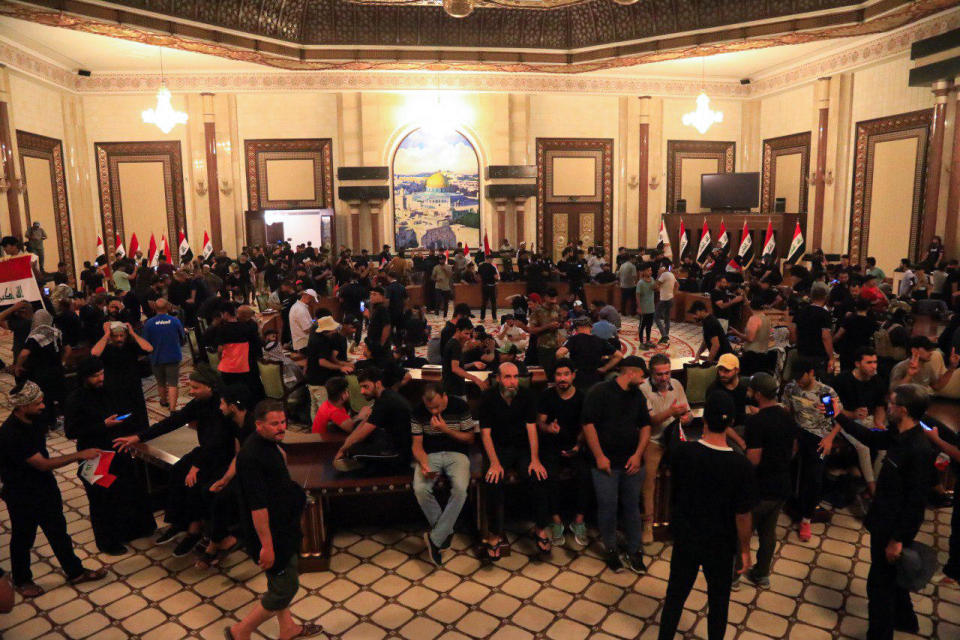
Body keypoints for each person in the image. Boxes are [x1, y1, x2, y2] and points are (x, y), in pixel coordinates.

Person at [835, 385, 935, 639]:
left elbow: (915, 503)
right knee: (892, 578)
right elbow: (870, 438)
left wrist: (898, 540)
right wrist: (838, 416)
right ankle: (906, 621)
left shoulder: (918, 450)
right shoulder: (897, 434)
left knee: (878, 585)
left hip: (893, 528)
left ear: (903, 409)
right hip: (882, 519)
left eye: (891, 404)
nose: (887, 407)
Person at [658, 391, 755, 640]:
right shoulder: (741, 466)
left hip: (686, 538)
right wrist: (745, 549)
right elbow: (742, 515)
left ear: (705, 421)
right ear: (731, 422)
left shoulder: (684, 453)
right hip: (720, 545)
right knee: (719, 602)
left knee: (675, 597)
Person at [113, 367, 236, 557]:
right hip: (205, 452)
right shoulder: (198, 403)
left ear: (210, 387)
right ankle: (181, 523)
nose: (191, 391)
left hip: (222, 456)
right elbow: (174, 421)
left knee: (195, 481)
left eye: (195, 387)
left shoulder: (222, 406)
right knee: (178, 471)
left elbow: (217, 440)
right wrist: (139, 437)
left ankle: (195, 530)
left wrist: (196, 466)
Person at [0, 381, 107, 597]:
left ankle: (75, 572)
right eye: (37, 403)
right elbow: (42, 463)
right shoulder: (11, 433)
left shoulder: (35, 420)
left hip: (43, 486)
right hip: (21, 493)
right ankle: (22, 580)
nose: (42, 406)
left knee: (58, 530)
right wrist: (78, 455)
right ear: (22, 407)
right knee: (23, 536)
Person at [228, 400, 320, 640]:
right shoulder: (251, 456)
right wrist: (267, 547)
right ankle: (241, 631)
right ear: (259, 425)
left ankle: (287, 628)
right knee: (285, 588)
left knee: (278, 582)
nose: (281, 427)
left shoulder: (269, 445)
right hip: (272, 534)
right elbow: (258, 507)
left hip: (282, 526)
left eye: (283, 422)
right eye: (274, 424)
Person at [64, 357, 156, 555]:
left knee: (126, 489)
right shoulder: (75, 399)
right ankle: (108, 541)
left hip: (116, 448)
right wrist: (102, 425)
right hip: (94, 454)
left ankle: (132, 530)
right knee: (102, 499)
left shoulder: (107, 392)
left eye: (102, 373)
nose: (100, 378)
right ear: (85, 377)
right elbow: (71, 432)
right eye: (95, 376)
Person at [581, 356, 651, 573]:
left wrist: (638, 454)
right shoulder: (600, 392)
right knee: (608, 507)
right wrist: (600, 456)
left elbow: (645, 426)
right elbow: (588, 425)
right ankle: (611, 549)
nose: (643, 380)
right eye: (641, 375)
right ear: (631, 373)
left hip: (631, 463)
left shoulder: (637, 396)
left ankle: (634, 550)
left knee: (632, 507)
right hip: (606, 463)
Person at [478, 362, 549, 559]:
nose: (512, 382)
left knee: (539, 476)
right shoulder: (488, 397)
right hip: (498, 448)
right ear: (499, 379)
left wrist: (535, 459)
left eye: (516, 377)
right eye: (508, 377)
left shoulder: (526, 395)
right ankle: (494, 534)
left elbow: (531, 428)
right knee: (493, 481)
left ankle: (540, 528)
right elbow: (486, 434)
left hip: (521, 449)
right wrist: (494, 462)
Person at [738, 372, 799, 588]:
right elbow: (793, 449)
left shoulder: (757, 422)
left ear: (758, 395)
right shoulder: (787, 415)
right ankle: (762, 574)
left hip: (759, 487)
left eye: (751, 390)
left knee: (743, 532)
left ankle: (736, 574)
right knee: (768, 533)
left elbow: (754, 458)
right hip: (782, 483)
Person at [412, 385, 478, 566]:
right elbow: (416, 444)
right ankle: (445, 533)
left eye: (437, 407)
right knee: (420, 488)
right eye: (429, 408)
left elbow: (470, 438)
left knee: (460, 490)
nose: (433, 411)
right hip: (430, 456)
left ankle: (434, 539)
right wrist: (423, 462)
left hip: (457, 455)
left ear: (444, 396)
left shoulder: (460, 406)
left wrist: (446, 429)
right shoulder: (418, 411)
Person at [783, 356, 841, 542]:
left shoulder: (825, 392)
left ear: (811, 373)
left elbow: (837, 420)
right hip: (798, 432)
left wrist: (830, 439)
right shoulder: (791, 388)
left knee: (814, 476)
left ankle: (806, 518)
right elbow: (789, 413)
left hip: (820, 436)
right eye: (796, 376)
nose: (799, 380)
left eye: (802, 376)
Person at [638, 353, 693, 543]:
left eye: (667, 373)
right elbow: (649, 421)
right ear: (651, 374)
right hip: (653, 440)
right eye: (659, 374)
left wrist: (686, 418)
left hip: (674, 438)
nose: (664, 378)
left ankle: (682, 519)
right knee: (648, 480)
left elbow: (688, 412)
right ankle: (647, 524)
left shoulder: (676, 385)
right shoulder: (643, 389)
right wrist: (670, 412)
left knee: (689, 473)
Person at [536, 359, 590, 547]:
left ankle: (579, 521)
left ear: (573, 375)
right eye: (559, 375)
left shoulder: (583, 397)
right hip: (552, 446)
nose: (562, 378)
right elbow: (540, 422)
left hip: (576, 446)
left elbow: (586, 426)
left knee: (585, 474)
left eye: (566, 374)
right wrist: (549, 428)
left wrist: (577, 445)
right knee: (549, 476)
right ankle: (556, 520)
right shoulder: (547, 396)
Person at [333, 367, 412, 474]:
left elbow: (362, 434)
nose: (362, 391)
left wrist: (344, 449)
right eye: (361, 387)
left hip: (399, 452)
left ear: (378, 384)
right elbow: (363, 423)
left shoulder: (385, 402)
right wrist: (343, 448)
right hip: (389, 438)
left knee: (354, 450)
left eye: (365, 386)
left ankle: (367, 465)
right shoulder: (384, 395)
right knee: (357, 427)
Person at [833, 348, 888, 498]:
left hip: (868, 420)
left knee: (884, 447)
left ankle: (873, 483)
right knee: (863, 447)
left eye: (875, 362)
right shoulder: (842, 380)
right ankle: (872, 489)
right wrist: (852, 414)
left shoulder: (877, 381)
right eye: (869, 362)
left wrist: (879, 422)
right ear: (857, 364)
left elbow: (880, 406)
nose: (874, 366)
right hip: (845, 421)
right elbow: (833, 409)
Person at [91, 320, 154, 431]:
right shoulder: (106, 347)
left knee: (137, 414)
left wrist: (133, 333)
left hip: (133, 385)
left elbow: (148, 348)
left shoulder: (130, 346)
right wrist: (106, 335)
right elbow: (94, 354)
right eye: (115, 336)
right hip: (113, 388)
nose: (119, 339)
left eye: (121, 335)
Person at [13, 309, 68, 424]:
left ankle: (47, 422)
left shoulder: (35, 337)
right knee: (56, 396)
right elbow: (67, 349)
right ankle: (59, 420)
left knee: (45, 398)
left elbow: (24, 353)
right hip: (57, 371)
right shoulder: (56, 333)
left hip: (41, 373)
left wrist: (18, 366)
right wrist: (62, 362)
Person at [305, 316, 354, 420]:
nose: (335, 331)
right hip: (319, 380)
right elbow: (322, 362)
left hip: (311, 378)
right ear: (328, 330)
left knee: (314, 408)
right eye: (333, 329)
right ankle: (322, 433)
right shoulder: (322, 341)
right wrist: (340, 368)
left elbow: (328, 356)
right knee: (323, 410)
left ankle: (315, 432)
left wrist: (342, 364)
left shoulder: (315, 336)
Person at [556, 316, 622, 391]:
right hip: (595, 379)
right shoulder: (600, 340)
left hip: (577, 378)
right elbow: (618, 355)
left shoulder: (574, 339)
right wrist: (604, 368)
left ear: (577, 328)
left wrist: (568, 370)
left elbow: (559, 353)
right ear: (591, 327)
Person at [143, 298, 186, 411]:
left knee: (160, 382)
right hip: (173, 356)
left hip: (156, 357)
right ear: (168, 307)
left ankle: (163, 401)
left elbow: (145, 342)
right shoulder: (175, 321)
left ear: (155, 308)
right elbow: (183, 337)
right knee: (173, 383)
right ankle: (172, 408)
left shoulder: (148, 323)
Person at [706, 353, 750, 449]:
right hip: (723, 431)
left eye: (727, 371)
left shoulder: (745, 386)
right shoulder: (714, 391)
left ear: (737, 370)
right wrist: (740, 441)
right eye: (720, 370)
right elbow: (719, 424)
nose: (722, 374)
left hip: (744, 427)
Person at [889, 335, 958, 395]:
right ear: (914, 350)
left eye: (930, 349)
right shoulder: (900, 367)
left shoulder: (927, 366)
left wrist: (952, 368)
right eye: (927, 349)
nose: (931, 352)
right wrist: (909, 375)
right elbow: (894, 392)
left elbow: (937, 386)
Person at [442, 318, 487, 398]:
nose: (468, 337)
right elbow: (455, 368)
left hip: (453, 387)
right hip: (454, 388)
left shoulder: (453, 343)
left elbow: (457, 366)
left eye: (470, 334)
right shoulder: (455, 345)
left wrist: (473, 363)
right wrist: (475, 379)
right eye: (466, 333)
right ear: (458, 330)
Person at [528, 287, 562, 374]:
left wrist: (560, 325)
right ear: (545, 297)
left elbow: (560, 321)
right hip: (544, 347)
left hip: (556, 346)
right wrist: (548, 326)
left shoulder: (557, 308)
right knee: (546, 373)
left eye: (555, 298)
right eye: (551, 298)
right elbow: (532, 330)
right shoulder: (537, 312)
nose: (553, 301)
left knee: (557, 372)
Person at [288, 288, 318, 353]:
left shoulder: (299, 307)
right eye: (312, 300)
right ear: (309, 297)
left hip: (303, 343)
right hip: (304, 345)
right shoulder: (300, 309)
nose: (312, 303)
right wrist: (320, 327)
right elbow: (307, 329)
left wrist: (314, 320)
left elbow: (307, 323)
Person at [635, 262, 656, 348]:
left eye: (650, 270)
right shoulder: (640, 283)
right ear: (643, 272)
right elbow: (637, 295)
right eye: (648, 270)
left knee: (649, 326)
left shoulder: (652, 279)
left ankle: (648, 340)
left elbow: (655, 288)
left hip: (651, 308)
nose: (650, 272)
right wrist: (639, 307)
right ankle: (641, 343)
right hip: (644, 309)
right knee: (642, 326)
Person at [654, 264, 677, 344]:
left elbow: (655, 286)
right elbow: (677, 285)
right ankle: (666, 336)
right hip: (670, 298)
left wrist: (659, 274)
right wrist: (673, 294)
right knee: (667, 319)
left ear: (664, 268)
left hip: (664, 299)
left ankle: (664, 335)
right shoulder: (672, 274)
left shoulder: (664, 274)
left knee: (656, 317)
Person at [477, 254, 499, 322]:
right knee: (493, 303)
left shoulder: (480, 266)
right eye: (492, 259)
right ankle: (494, 318)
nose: (492, 260)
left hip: (484, 286)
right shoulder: (492, 267)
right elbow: (496, 277)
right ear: (489, 259)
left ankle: (482, 318)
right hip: (491, 286)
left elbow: (478, 277)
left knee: (484, 302)